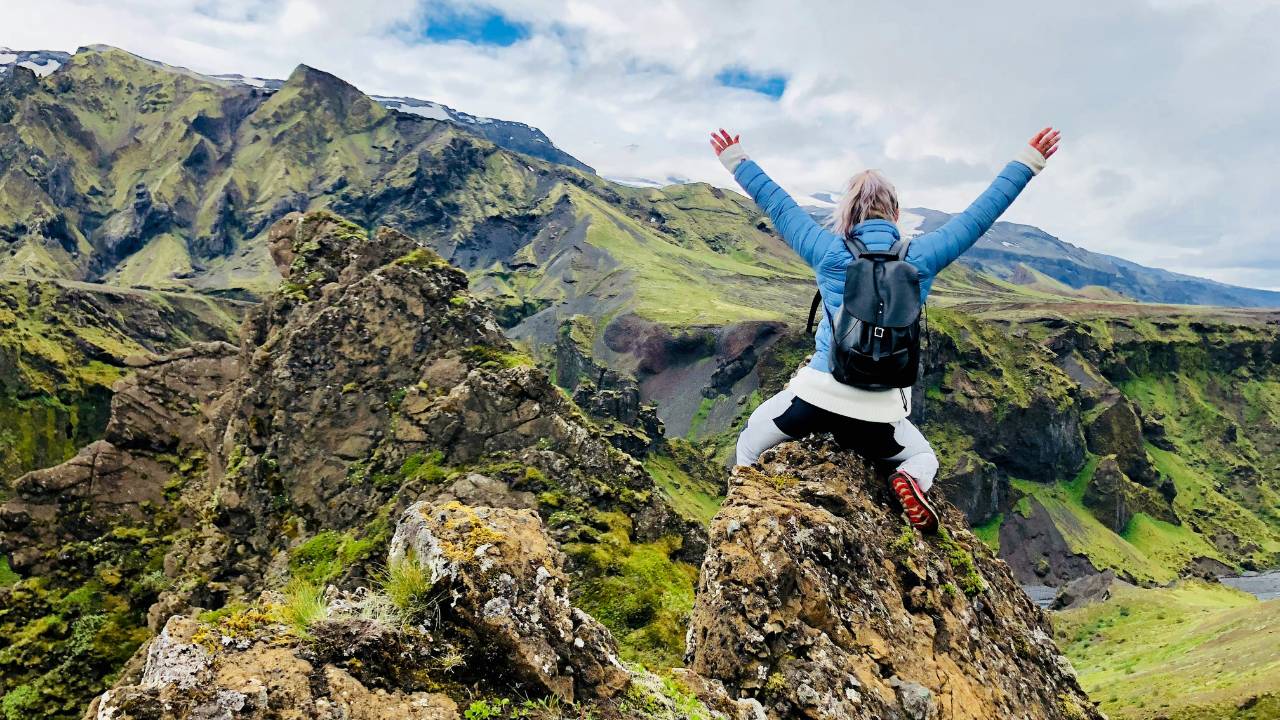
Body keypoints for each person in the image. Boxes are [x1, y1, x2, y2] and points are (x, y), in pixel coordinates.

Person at [712, 126, 1060, 532]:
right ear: (895, 214)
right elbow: (980, 216)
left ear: (847, 214)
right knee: (923, 458)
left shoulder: (827, 251)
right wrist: (1028, 161)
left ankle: (745, 522)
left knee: (750, 444)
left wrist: (735, 159)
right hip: (879, 417)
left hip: (815, 400)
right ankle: (908, 481)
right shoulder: (922, 256)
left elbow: (778, 204)